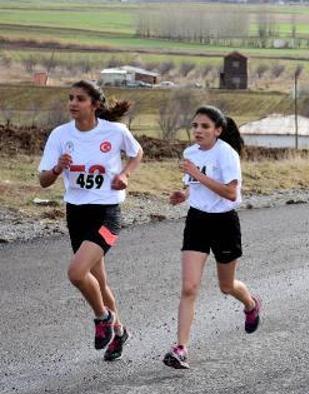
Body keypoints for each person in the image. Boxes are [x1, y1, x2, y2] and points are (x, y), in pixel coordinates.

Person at [38, 80, 143, 361]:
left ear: (94, 104)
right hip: (77, 213)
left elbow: (137, 153)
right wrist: (58, 168)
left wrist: (125, 174)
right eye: (70, 97)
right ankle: (119, 332)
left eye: (80, 99)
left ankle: (102, 317)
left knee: (76, 273)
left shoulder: (115, 131)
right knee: (98, 280)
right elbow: (43, 180)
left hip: (107, 213)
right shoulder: (60, 135)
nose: (73, 103)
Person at [163, 105, 260, 369]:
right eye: (195, 126)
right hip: (197, 220)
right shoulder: (190, 153)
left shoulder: (226, 154)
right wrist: (183, 194)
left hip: (224, 223)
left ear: (218, 130)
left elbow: (230, 193)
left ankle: (251, 304)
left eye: (205, 126)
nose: (198, 131)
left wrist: (198, 174)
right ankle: (181, 348)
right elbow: (192, 185)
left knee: (226, 287)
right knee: (189, 287)